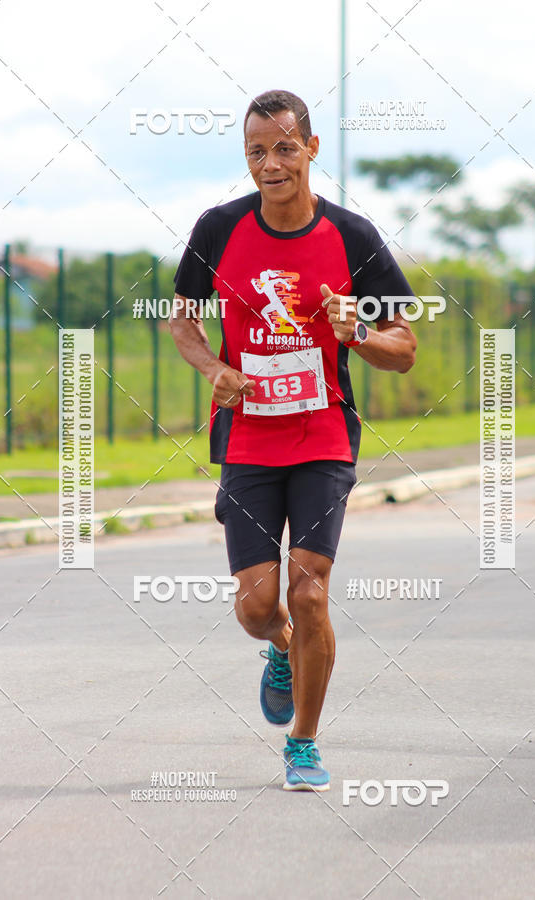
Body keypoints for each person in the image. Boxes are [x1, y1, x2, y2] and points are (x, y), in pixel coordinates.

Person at [170, 89, 416, 791]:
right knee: (258, 607)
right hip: (248, 438)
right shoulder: (218, 228)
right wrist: (213, 367)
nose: (270, 164)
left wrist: (357, 331)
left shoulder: (353, 237)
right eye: (256, 152)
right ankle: (279, 647)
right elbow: (182, 319)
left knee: (310, 594)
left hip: (323, 435)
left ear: (310, 149)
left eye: (284, 148)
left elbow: (404, 347)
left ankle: (302, 742)